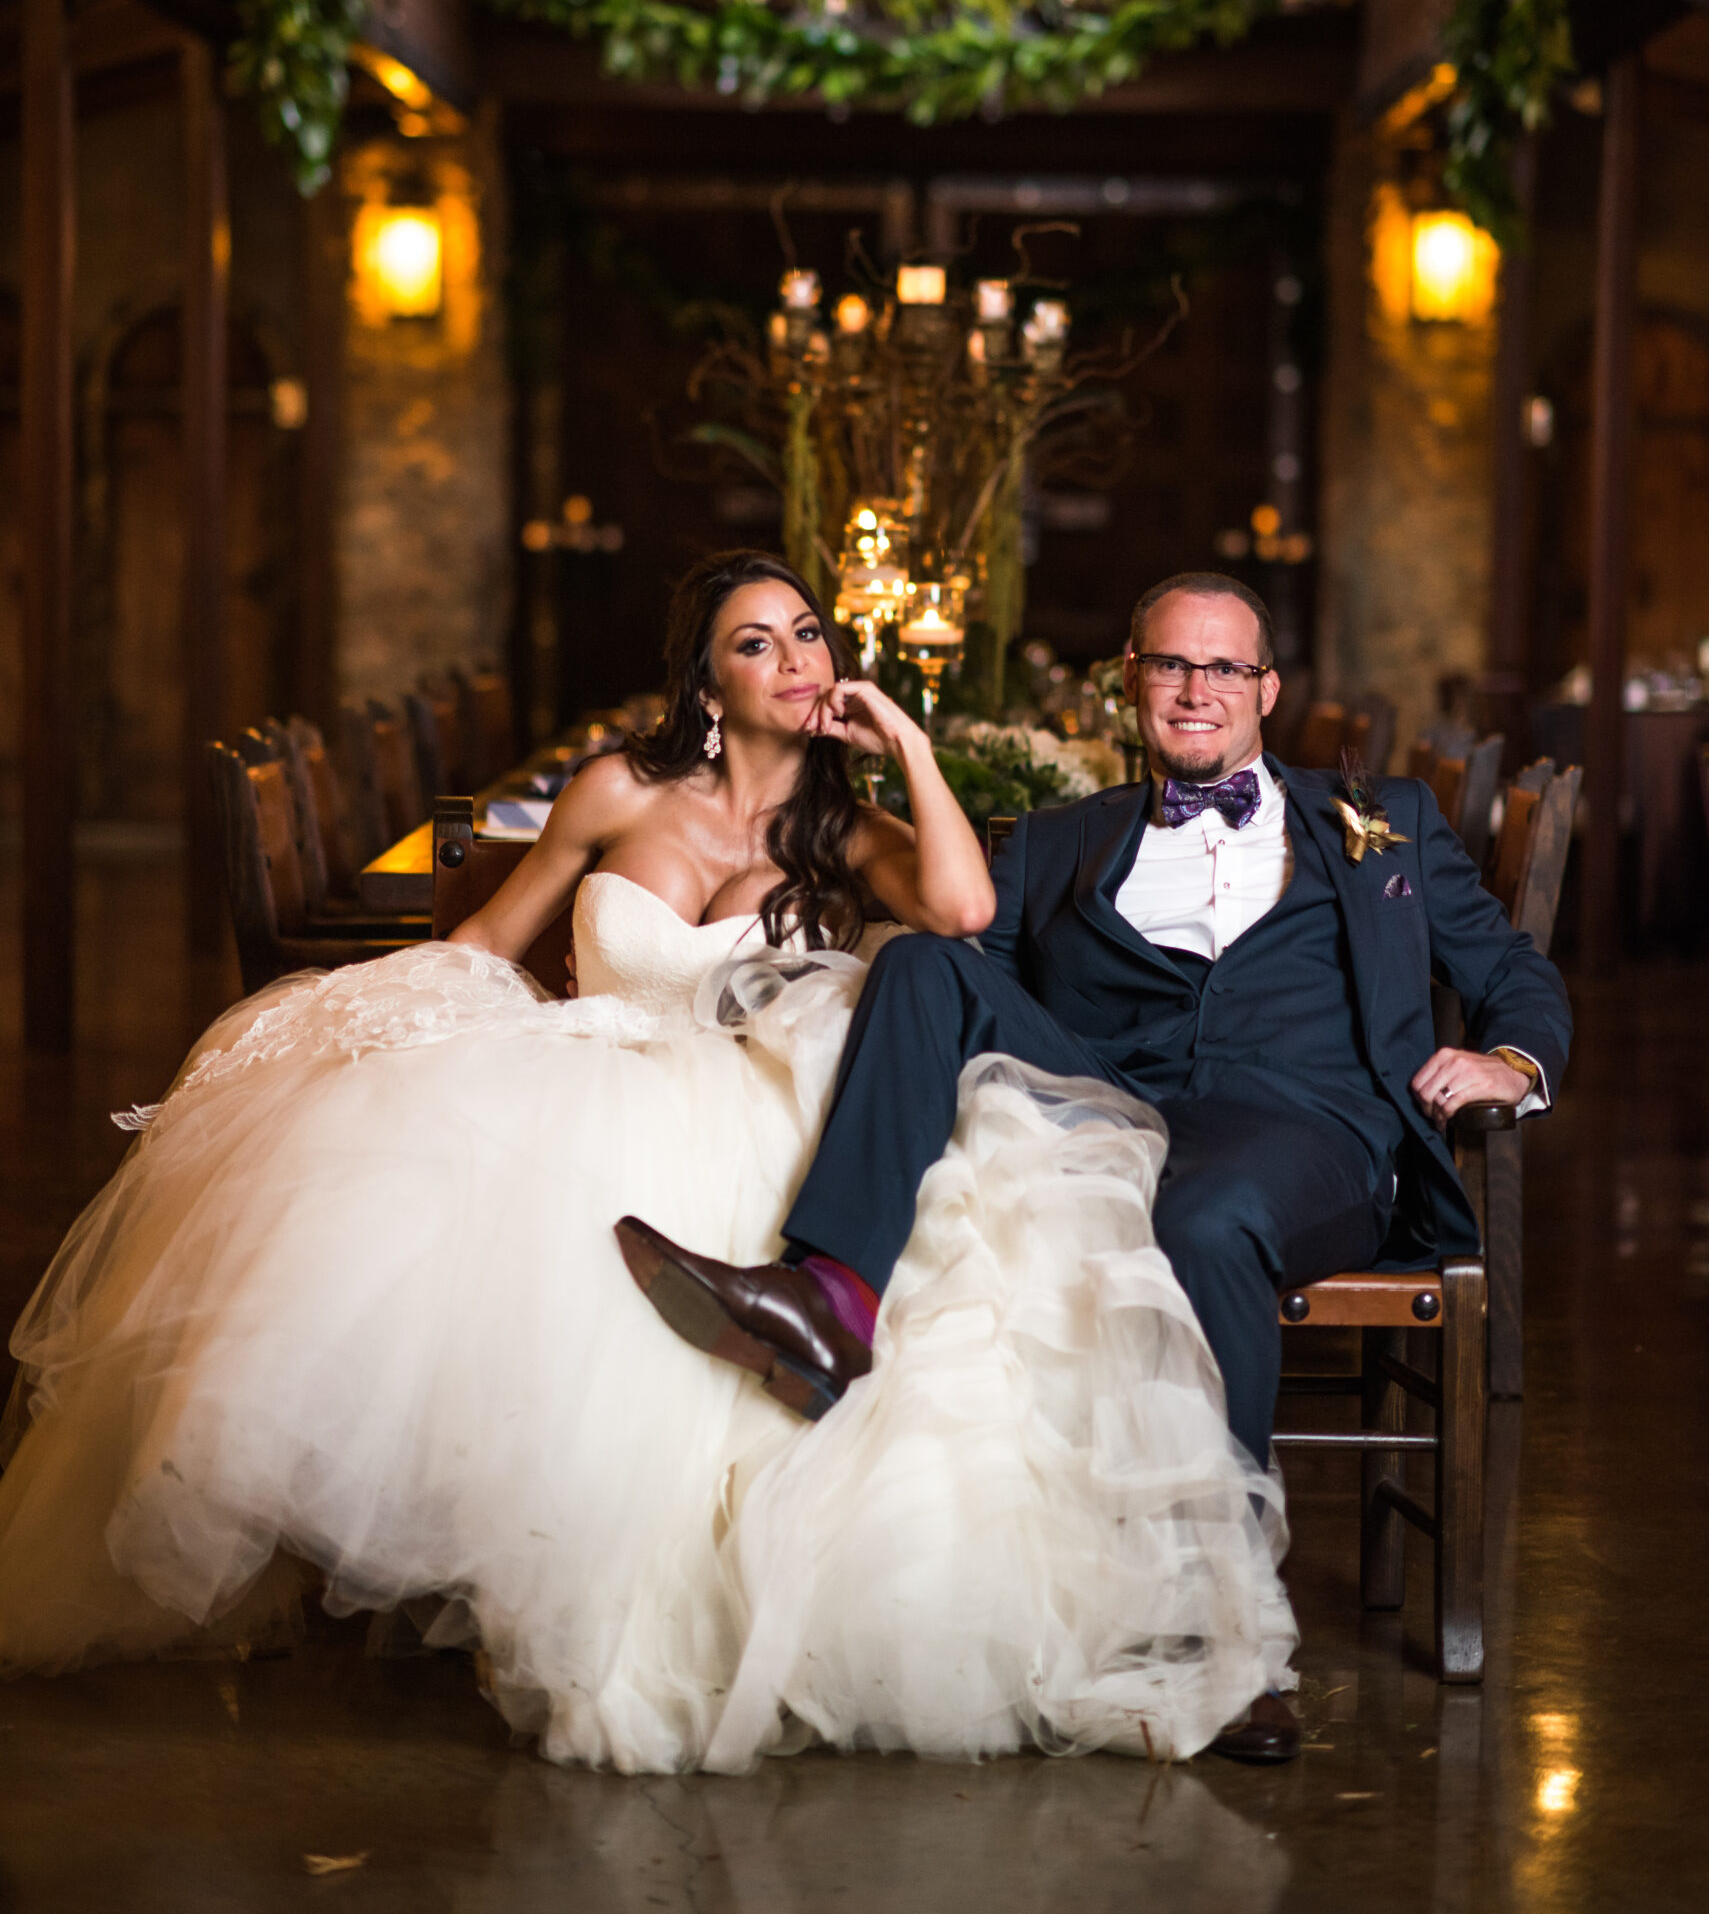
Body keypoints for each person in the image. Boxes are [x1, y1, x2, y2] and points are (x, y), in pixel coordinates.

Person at [0, 553, 1293, 1771]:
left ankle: (717, 1561)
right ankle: (526, 1561)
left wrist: (901, 741)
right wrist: (358, 1035)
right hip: (586, 1073)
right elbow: (489, 940)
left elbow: (959, 911)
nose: (794, 658)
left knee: (771, 1243)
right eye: (756, 642)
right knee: (459, 1209)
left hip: (757, 1098)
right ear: (706, 684)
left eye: (808, 634)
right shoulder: (616, 789)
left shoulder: (843, 826)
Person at [620, 570, 1573, 1765]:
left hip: (1312, 1131)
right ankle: (829, 1295)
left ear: (1266, 689)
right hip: (1113, 1107)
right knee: (922, 963)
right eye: (1169, 663)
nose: (1194, 689)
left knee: (1208, 1214)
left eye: (1222, 668)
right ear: (1128, 680)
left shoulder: (1380, 819)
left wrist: (1510, 1061)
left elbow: (1509, 969)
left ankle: (1220, 1637)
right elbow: (966, 985)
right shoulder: (1058, 840)